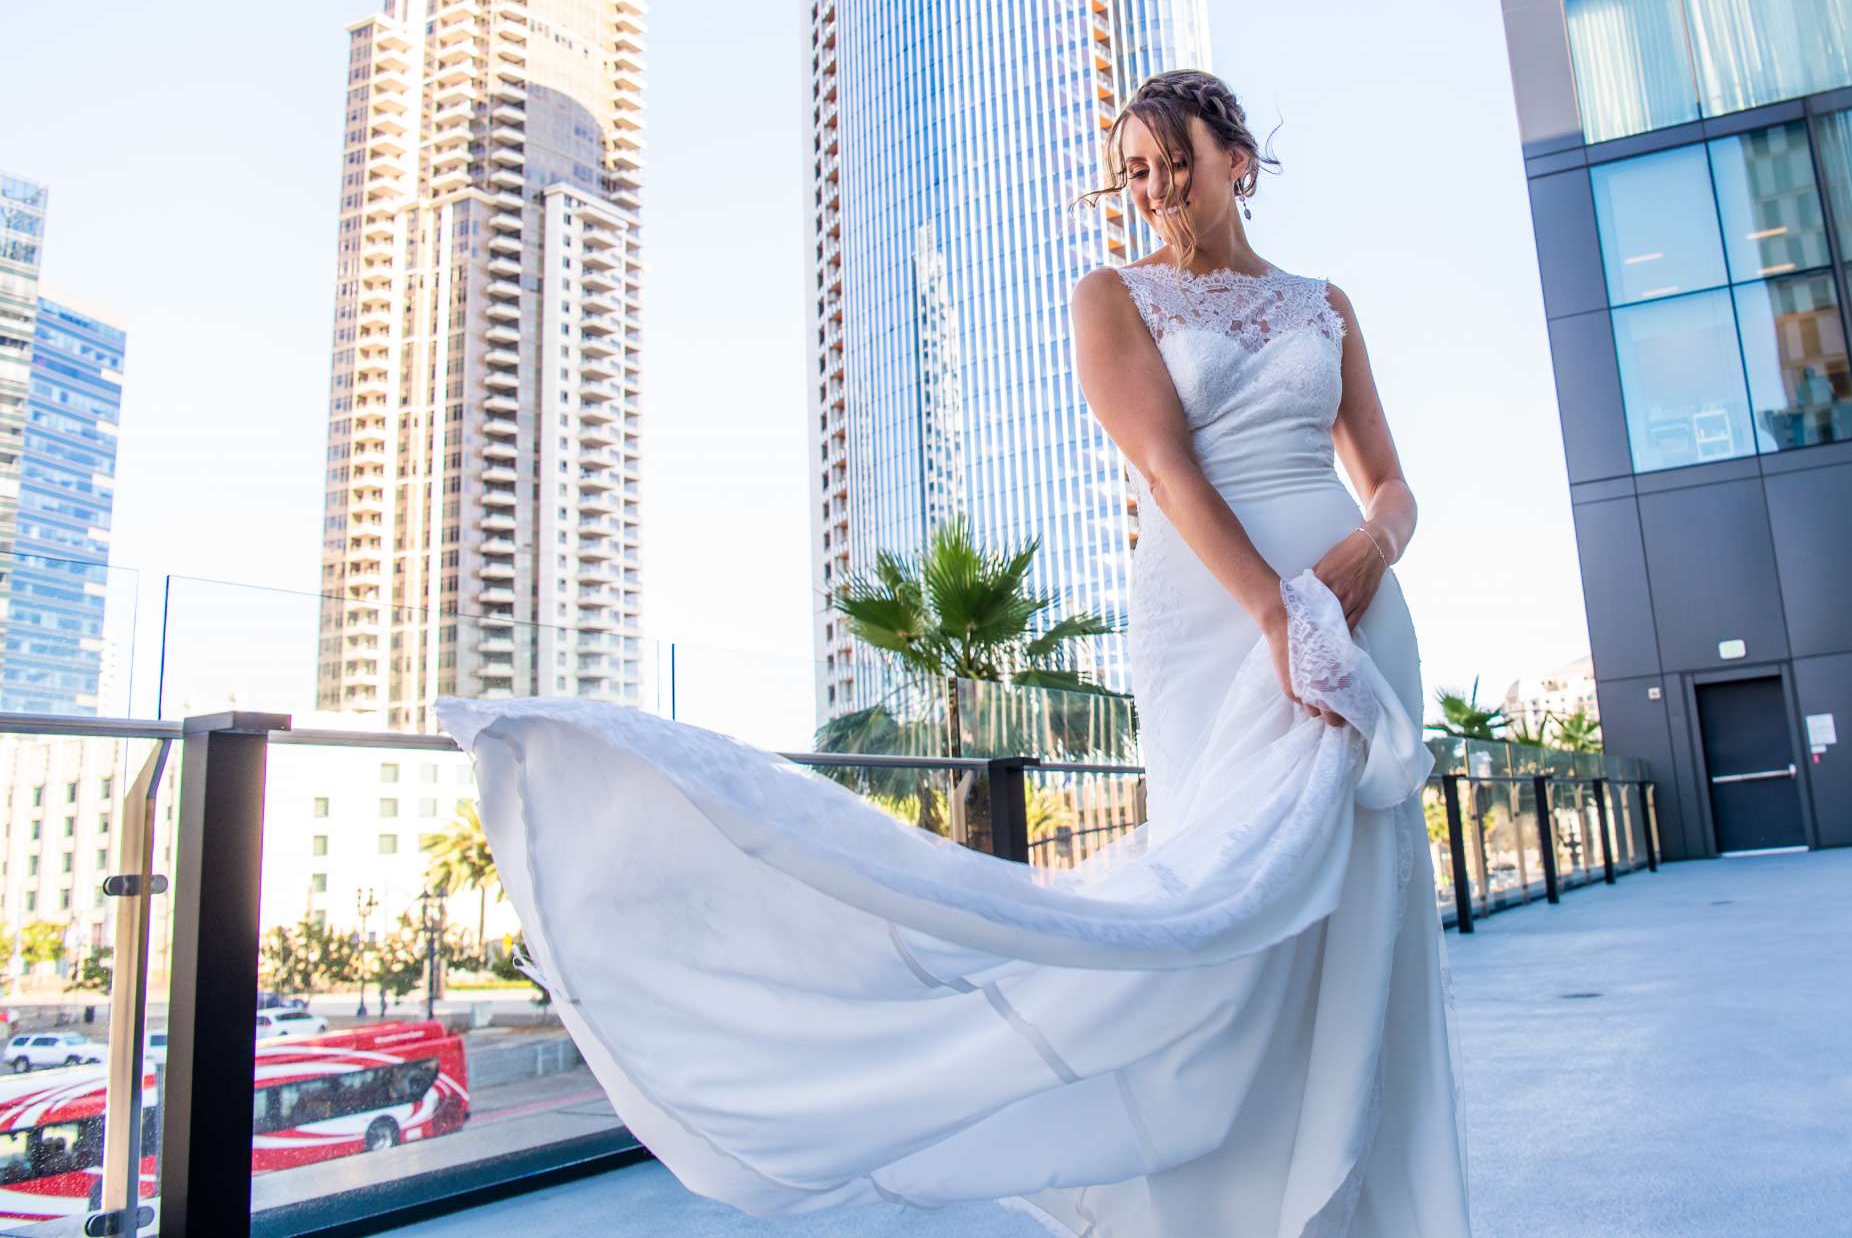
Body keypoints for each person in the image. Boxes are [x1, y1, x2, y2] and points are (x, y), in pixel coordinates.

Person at [439, 67, 1473, 1236]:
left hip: (1360, 605)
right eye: (1133, 170)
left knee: (1366, 908)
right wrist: (1285, 621)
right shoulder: (1113, 297)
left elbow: (1390, 483)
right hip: (1221, 617)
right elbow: (1168, 474)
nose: (1154, 189)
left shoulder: (1323, 302)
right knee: (1229, 912)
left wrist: (1369, 555)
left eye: (1174, 161)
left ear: (1239, 157)